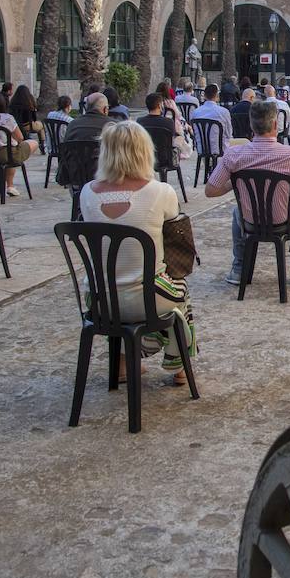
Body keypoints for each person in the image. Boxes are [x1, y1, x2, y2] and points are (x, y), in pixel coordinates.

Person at [79, 121, 192, 383]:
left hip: (99, 300)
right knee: (180, 292)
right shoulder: (160, 192)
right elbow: (174, 236)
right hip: (148, 298)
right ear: (144, 151)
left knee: (121, 283)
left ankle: (122, 362)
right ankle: (179, 365)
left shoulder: (86, 193)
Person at [205, 99, 290, 286]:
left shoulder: (234, 154)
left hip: (250, 222)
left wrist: (236, 183)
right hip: (285, 222)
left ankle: (239, 268)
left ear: (251, 125)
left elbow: (211, 190)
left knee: (236, 212)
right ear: (275, 124)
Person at [0, 91, 37, 197]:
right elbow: (20, 137)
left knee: (11, 148)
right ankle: (10, 185)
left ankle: (10, 186)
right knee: (31, 143)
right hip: (6, 154)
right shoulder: (7, 118)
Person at [138, 91, 189, 164]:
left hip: (145, 158)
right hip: (166, 159)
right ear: (159, 105)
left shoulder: (139, 121)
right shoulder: (168, 122)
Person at [191, 83, 234, 148]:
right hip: (220, 148)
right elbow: (229, 133)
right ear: (217, 96)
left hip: (201, 148)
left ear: (204, 96)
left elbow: (194, 132)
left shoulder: (195, 112)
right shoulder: (224, 112)